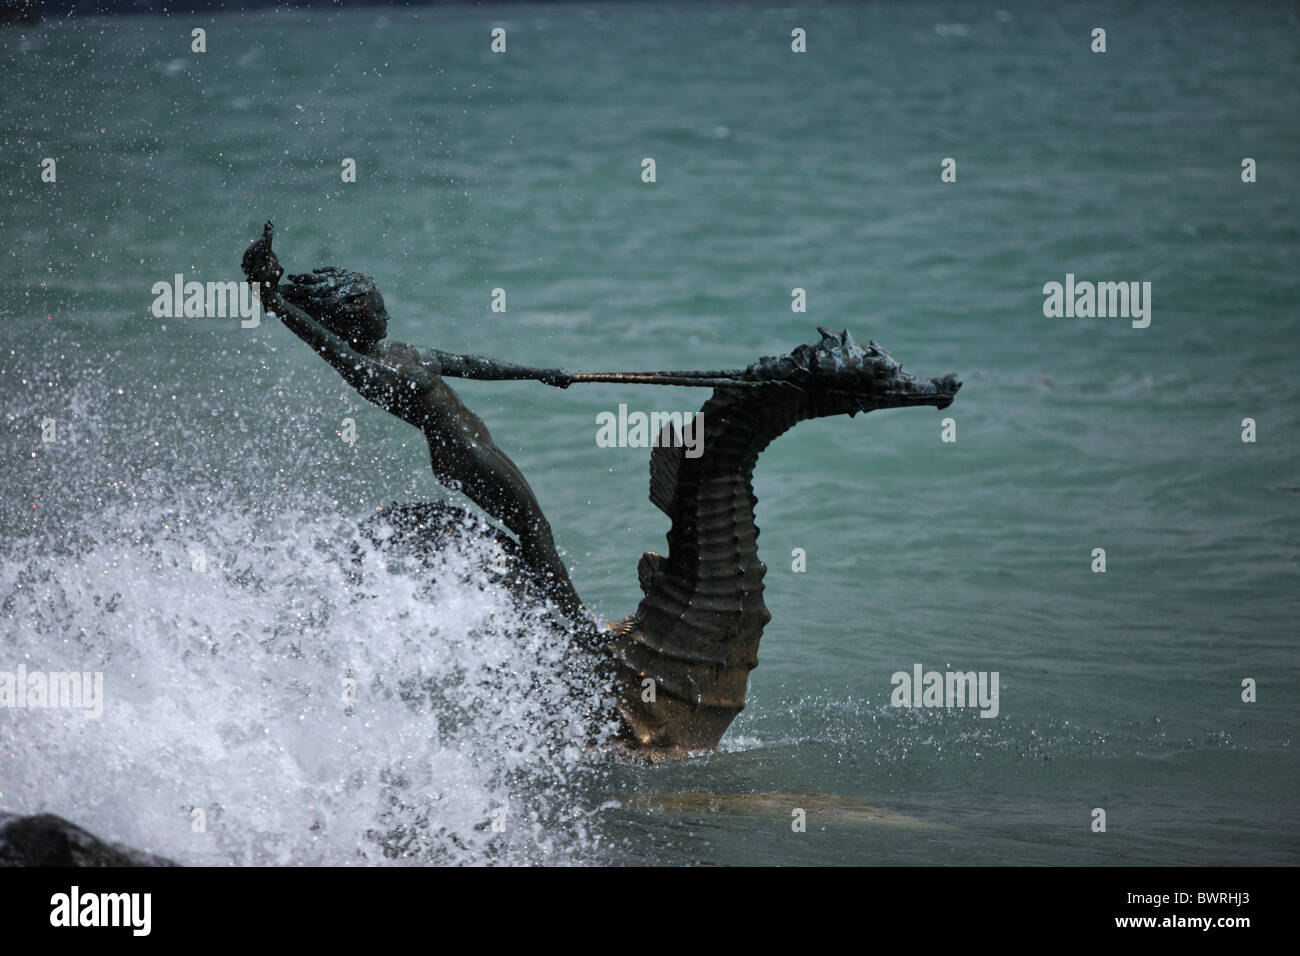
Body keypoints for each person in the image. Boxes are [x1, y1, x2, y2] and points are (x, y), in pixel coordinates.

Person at [241, 222, 591, 629]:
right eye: (377, 308)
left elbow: (471, 365)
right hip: (465, 454)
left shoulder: (398, 350)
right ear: (356, 316)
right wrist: (272, 301)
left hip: (470, 450)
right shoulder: (367, 369)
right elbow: (321, 340)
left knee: (529, 535)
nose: (386, 312)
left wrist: (539, 372)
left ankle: (553, 621)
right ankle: (581, 632)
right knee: (535, 531)